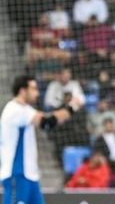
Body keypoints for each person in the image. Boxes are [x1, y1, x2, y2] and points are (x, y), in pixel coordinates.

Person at [1, 75, 83, 204]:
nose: (37, 93)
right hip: (17, 174)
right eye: (33, 89)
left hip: (30, 175)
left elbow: (49, 121)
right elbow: (46, 122)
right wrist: (72, 107)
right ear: (22, 91)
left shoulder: (26, 109)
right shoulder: (14, 109)